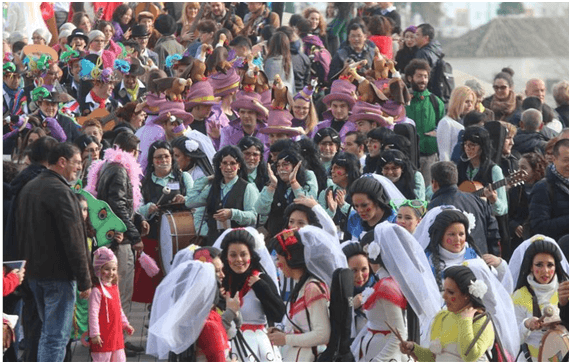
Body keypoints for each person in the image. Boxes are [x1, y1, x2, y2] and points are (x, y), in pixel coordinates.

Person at [15, 142, 92, 361]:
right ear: (62, 162)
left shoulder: (30, 187)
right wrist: (85, 280)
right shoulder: (61, 191)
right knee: (55, 337)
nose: (79, 167)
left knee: (47, 334)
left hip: (35, 275)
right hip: (57, 276)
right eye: (77, 162)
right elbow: (75, 239)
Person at [84, 132, 148, 354]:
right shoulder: (121, 170)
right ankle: (117, 339)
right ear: (133, 152)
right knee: (120, 291)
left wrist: (138, 219)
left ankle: (112, 338)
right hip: (118, 242)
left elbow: (116, 203)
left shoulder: (106, 166)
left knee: (109, 292)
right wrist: (135, 236)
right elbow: (118, 206)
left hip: (107, 238)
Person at [134, 141, 193, 304]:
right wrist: (148, 209)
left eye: (167, 156)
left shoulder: (183, 177)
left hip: (180, 235)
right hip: (153, 235)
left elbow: (196, 200)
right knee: (154, 280)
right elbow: (137, 209)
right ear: (152, 160)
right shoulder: (144, 183)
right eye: (158, 157)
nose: (163, 160)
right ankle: (154, 310)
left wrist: (185, 199)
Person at [214, 228, 285, 362]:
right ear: (226, 257)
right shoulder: (222, 281)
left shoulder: (261, 279)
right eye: (233, 255)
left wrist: (261, 288)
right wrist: (219, 300)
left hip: (259, 346)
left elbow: (279, 313)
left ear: (251, 255)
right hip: (227, 345)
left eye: (243, 254)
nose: (239, 260)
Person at [400, 265, 495, 361]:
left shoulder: (481, 320)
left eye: (451, 292)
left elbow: (469, 355)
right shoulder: (444, 316)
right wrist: (413, 349)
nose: (444, 296)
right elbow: (435, 357)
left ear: (466, 294)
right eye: (444, 291)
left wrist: (465, 320)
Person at [267, 228, 334, 361]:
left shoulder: (312, 288)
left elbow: (323, 335)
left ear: (291, 258)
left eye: (279, 258)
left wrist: (286, 339)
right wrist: (282, 334)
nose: (277, 264)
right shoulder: (302, 286)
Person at [510, 236, 569, 361]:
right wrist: (526, 325)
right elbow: (512, 338)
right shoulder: (520, 295)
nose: (545, 271)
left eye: (550, 265)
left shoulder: (565, 290)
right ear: (530, 266)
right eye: (539, 265)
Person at [186, 146, 259, 245]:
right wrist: (206, 180)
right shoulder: (213, 188)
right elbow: (190, 202)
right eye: (224, 163)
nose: (228, 168)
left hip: (237, 242)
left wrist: (232, 213)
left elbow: (253, 217)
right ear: (219, 165)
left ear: (239, 166)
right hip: (214, 241)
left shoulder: (247, 188)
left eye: (233, 163)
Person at [424, 209, 507, 292]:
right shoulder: (428, 263)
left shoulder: (475, 259)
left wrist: (500, 265)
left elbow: (498, 289)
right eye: (451, 234)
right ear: (440, 236)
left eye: (461, 234)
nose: (457, 239)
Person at [428, 161, 501, 255]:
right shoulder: (478, 201)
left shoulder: (434, 207)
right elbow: (493, 233)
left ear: (434, 183)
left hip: (451, 264)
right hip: (481, 260)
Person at [256, 148, 318, 238]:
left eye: (285, 165)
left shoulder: (307, 180)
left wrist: (293, 182)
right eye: (278, 165)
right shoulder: (274, 184)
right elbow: (260, 209)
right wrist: (272, 185)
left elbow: (308, 205)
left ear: (295, 166)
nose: (281, 169)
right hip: (277, 238)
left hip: (301, 237)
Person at [88, 247, 135, 362]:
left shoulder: (114, 287)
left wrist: (125, 324)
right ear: (99, 270)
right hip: (102, 335)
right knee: (102, 359)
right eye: (107, 269)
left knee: (120, 359)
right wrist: (94, 333)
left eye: (114, 269)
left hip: (116, 334)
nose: (111, 273)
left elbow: (119, 308)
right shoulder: (97, 291)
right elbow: (93, 314)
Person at [404, 59, 445, 185]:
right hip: (408, 157)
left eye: (425, 76)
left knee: (429, 191)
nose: (423, 80)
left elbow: (442, 127)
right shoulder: (403, 101)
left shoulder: (436, 102)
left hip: (430, 157)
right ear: (410, 78)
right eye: (419, 76)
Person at [456, 126, 508, 217]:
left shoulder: (494, 170)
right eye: (465, 144)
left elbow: (503, 209)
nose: (467, 148)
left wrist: (493, 200)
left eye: (472, 145)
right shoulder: (460, 167)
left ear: (482, 147)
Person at [528, 138, 569, 242]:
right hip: (556, 251)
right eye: (566, 160)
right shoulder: (542, 188)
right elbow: (539, 227)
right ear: (554, 159)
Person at [318, 152, 361, 239]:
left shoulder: (360, 192)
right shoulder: (326, 193)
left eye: (337, 168)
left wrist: (344, 206)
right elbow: (319, 221)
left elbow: (363, 216)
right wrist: (331, 210)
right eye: (332, 167)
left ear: (349, 171)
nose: (332, 171)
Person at [508, 152, 547, 247]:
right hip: (518, 238)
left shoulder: (544, 188)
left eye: (524, 168)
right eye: (519, 167)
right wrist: (514, 225)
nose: (519, 171)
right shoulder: (515, 189)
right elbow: (508, 214)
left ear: (535, 170)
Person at [341, 242, 377, 339]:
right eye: (354, 271)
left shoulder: (378, 289)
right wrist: (351, 305)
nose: (360, 276)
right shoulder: (340, 292)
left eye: (364, 269)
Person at [347, 175, 395, 240]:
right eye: (356, 206)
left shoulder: (394, 222)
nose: (360, 210)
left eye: (364, 205)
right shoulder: (354, 221)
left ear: (377, 201)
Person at [437, 86, 475, 161]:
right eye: (466, 101)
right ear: (457, 102)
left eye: (471, 102)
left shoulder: (470, 122)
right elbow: (444, 153)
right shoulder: (446, 122)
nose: (470, 105)